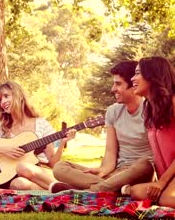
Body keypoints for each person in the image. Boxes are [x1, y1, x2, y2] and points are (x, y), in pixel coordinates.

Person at [51, 60, 154, 193]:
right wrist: (103, 170)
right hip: (115, 173)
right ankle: (114, 189)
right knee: (60, 167)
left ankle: (84, 192)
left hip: (138, 173)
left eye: (118, 84)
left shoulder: (150, 111)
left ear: (133, 85)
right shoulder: (113, 111)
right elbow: (110, 152)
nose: (113, 89)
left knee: (145, 165)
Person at [0, 81, 76, 190]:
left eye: (6, 96)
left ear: (19, 96)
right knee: (18, 184)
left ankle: (58, 187)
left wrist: (63, 142)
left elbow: (53, 164)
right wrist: (4, 150)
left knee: (23, 167)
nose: (3, 102)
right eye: (0, 100)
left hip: (39, 172)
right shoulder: (1, 127)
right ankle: (59, 190)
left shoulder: (41, 124)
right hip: (14, 176)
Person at [123, 56, 175, 207]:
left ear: (153, 76)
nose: (133, 78)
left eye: (138, 73)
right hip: (169, 177)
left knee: (165, 199)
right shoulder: (150, 110)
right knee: (136, 192)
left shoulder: (173, 102)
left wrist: (162, 182)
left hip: (169, 178)